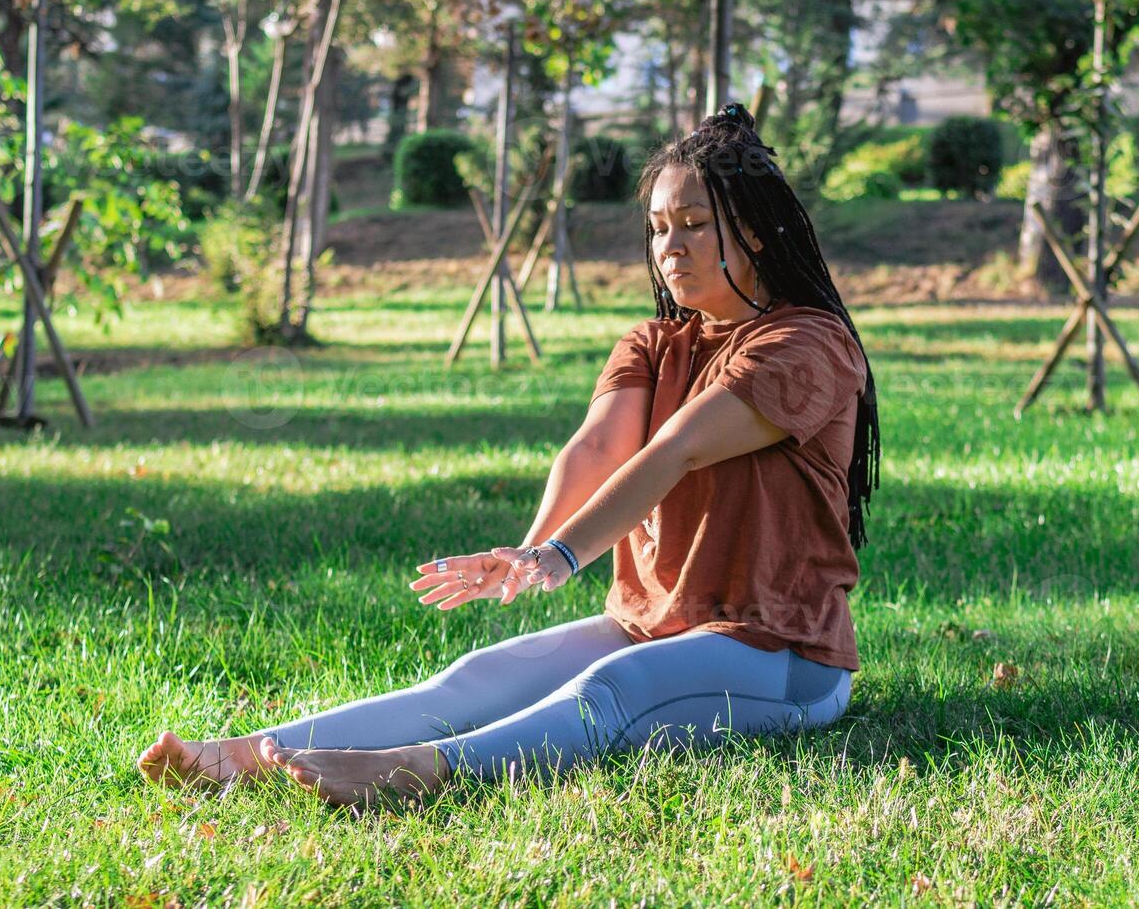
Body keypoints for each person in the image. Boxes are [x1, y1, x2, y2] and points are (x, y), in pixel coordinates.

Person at [138, 102, 881, 812]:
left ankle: (416, 776)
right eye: (658, 228)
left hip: (782, 655)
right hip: (656, 621)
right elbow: (596, 447)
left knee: (611, 690)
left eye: (694, 225)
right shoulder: (654, 343)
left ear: (754, 231)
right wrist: (530, 550)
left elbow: (678, 450)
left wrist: (566, 554)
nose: (669, 248)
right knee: (474, 680)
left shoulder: (807, 345)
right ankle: (238, 756)